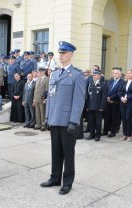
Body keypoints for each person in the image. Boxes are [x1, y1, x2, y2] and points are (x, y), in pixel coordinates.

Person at [41, 41, 85, 195]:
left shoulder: (77, 75)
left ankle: (67, 182)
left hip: (68, 121)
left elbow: (79, 101)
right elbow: (51, 98)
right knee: (55, 151)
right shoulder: (55, 73)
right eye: (60, 52)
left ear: (71, 54)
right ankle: (54, 178)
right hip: (54, 119)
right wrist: (47, 117)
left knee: (68, 153)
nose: (61, 55)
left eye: (64, 53)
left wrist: (74, 121)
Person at [85, 69, 107, 141]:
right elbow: (88, 96)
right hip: (90, 106)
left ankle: (98, 135)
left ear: (99, 76)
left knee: (98, 122)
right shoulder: (91, 83)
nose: (94, 76)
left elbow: (104, 97)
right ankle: (92, 134)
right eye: (93, 75)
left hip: (98, 107)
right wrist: (87, 106)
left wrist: (102, 107)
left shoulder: (103, 84)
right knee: (91, 122)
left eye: (95, 75)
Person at [118, 69, 132, 141]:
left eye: (130, 73)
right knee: (123, 119)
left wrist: (126, 98)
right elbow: (119, 91)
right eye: (127, 73)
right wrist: (121, 97)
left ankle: (129, 135)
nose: (128, 74)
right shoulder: (124, 82)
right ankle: (124, 134)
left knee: (128, 118)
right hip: (122, 102)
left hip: (130, 103)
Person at [103, 67, 125, 137]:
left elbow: (120, 92)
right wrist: (107, 97)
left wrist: (111, 98)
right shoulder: (109, 81)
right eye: (114, 73)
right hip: (107, 101)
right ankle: (105, 131)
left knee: (114, 117)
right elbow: (105, 90)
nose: (114, 74)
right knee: (106, 117)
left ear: (120, 74)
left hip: (115, 102)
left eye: (116, 73)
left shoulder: (123, 82)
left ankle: (113, 131)